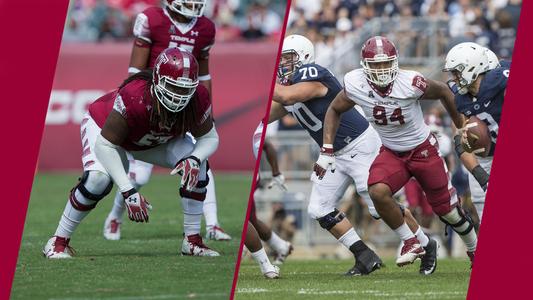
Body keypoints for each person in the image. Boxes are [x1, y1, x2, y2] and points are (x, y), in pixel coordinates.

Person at [273, 35, 437, 275]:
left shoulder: (313, 74)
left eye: (288, 58)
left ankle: (425, 243)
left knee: (378, 205)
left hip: (360, 145)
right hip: (332, 154)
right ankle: (365, 256)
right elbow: (271, 110)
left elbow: (288, 97)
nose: (283, 63)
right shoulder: (289, 87)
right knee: (319, 208)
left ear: (303, 57)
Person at [316, 36, 478, 267]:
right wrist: (327, 148)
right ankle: (411, 241)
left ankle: (474, 248)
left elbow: (443, 91)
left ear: (395, 62)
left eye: (385, 63)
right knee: (377, 191)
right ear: (365, 65)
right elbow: (334, 109)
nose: (381, 69)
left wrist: (461, 125)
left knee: (448, 211)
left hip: (422, 150)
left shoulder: (411, 82)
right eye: (376, 64)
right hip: (392, 151)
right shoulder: (355, 83)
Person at [44, 48, 220, 258]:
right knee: (97, 180)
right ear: (157, 80)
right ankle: (57, 241)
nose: (179, 96)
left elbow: (209, 138)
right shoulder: (135, 95)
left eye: (185, 89)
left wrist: (194, 157)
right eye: (173, 87)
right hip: (105, 133)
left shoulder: (198, 97)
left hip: (152, 140)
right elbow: (105, 145)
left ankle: (192, 242)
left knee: (197, 166)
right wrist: (128, 191)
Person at [103, 0, 231, 242]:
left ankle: (213, 224)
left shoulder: (205, 28)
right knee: (139, 177)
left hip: (184, 105)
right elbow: (135, 73)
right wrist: (136, 104)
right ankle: (114, 216)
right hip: (153, 102)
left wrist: (205, 109)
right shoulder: (152, 19)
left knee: (199, 160)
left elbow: (203, 75)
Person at [445, 43, 510, 222]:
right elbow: (460, 142)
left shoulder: (499, 80)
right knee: (482, 206)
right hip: (484, 157)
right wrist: (481, 176)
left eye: (457, 72)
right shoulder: (461, 99)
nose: (454, 78)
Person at [248, 122, 293, 265]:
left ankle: (266, 265)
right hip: (254, 179)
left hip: (253, 180)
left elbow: (268, 146)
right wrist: (276, 172)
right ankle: (281, 246)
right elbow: (268, 146)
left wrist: (276, 172)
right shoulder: (258, 131)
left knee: (248, 221)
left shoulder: (258, 131)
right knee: (252, 220)